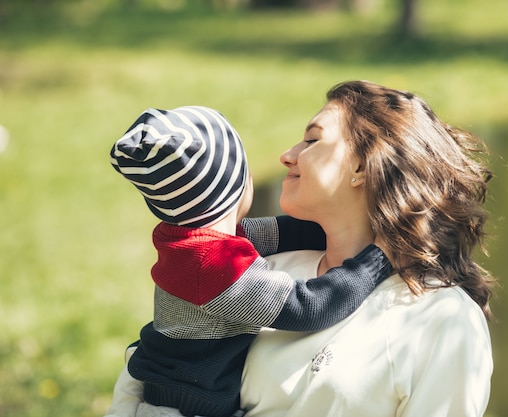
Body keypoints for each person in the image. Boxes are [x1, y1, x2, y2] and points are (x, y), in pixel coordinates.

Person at [107, 80, 497, 417]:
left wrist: (391, 245)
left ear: (364, 168)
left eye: (312, 140)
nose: (287, 154)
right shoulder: (263, 269)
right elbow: (151, 369)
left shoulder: (441, 320)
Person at [106, 105, 391, 417]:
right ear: (235, 186)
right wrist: (378, 257)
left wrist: (343, 222)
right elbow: (308, 307)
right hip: (182, 409)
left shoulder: (198, 241)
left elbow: (285, 233)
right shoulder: (214, 268)